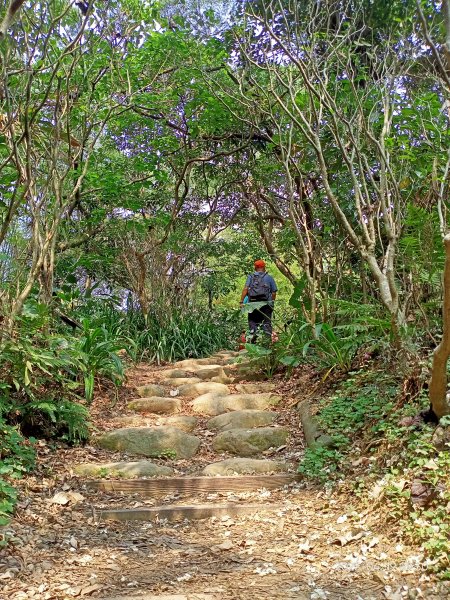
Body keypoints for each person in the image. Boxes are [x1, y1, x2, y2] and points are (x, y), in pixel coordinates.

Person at [239, 259, 277, 342]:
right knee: (266, 323)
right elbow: (274, 292)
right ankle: (266, 345)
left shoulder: (251, 277)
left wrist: (241, 301)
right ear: (264, 267)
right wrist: (271, 302)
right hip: (266, 304)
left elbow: (245, 289)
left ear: (255, 268)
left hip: (252, 304)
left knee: (253, 322)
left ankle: (253, 342)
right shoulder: (269, 277)